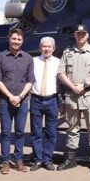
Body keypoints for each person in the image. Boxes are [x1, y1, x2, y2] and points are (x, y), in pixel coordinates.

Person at [57, 24, 90, 172]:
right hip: (72, 96)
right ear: (74, 35)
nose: (80, 36)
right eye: (78, 33)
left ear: (87, 35)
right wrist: (72, 86)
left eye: (83, 33)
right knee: (72, 128)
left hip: (89, 95)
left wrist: (84, 85)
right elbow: (61, 73)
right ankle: (71, 158)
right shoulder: (67, 52)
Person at [0, 28, 35, 174]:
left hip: (22, 101)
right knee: (5, 132)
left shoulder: (28, 58)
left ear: (22, 41)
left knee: (20, 132)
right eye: (14, 39)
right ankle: (5, 161)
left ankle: (18, 160)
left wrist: (20, 96)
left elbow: (30, 81)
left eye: (19, 39)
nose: (16, 42)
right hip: (5, 100)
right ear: (9, 39)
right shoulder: (0, 57)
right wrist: (11, 96)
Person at [29, 36, 60, 171]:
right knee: (36, 132)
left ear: (53, 48)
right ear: (40, 48)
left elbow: (62, 83)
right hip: (36, 99)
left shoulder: (59, 63)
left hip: (52, 100)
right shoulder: (33, 61)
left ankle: (48, 159)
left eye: (49, 47)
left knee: (51, 132)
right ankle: (37, 159)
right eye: (44, 46)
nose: (46, 49)